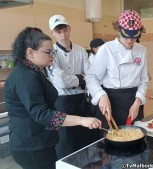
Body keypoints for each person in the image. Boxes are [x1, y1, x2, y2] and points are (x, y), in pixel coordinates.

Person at [4, 27, 102, 169]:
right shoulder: (26, 76)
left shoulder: (35, 71)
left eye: (53, 51)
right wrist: (81, 120)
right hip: (31, 145)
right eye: (48, 52)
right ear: (30, 52)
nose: (52, 55)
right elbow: (42, 114)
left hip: (39, 140)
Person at [86, 9, 148, 129]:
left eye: (134, 37)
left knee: (135, 137)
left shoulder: (142, 50)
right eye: (126, 36)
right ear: (119, 30)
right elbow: (91, 77)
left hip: (133, 100)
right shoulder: (106, 49)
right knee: (111, 141)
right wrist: (101, 96)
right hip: (111, 101)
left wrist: (138, 101)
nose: (130, 41)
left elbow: (144, 79)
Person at [47, 14, 97, 159]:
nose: (63, 35)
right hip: (63, 103)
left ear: (69, 28)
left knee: (87, 142)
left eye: (65, 30)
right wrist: (81, 78)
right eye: (58, 31)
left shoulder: (81, 50)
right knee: (67, 144)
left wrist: (78, 79)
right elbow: (61, 82)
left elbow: (91, 75)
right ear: (52, 33)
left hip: (82, 101)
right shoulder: (52, 54)